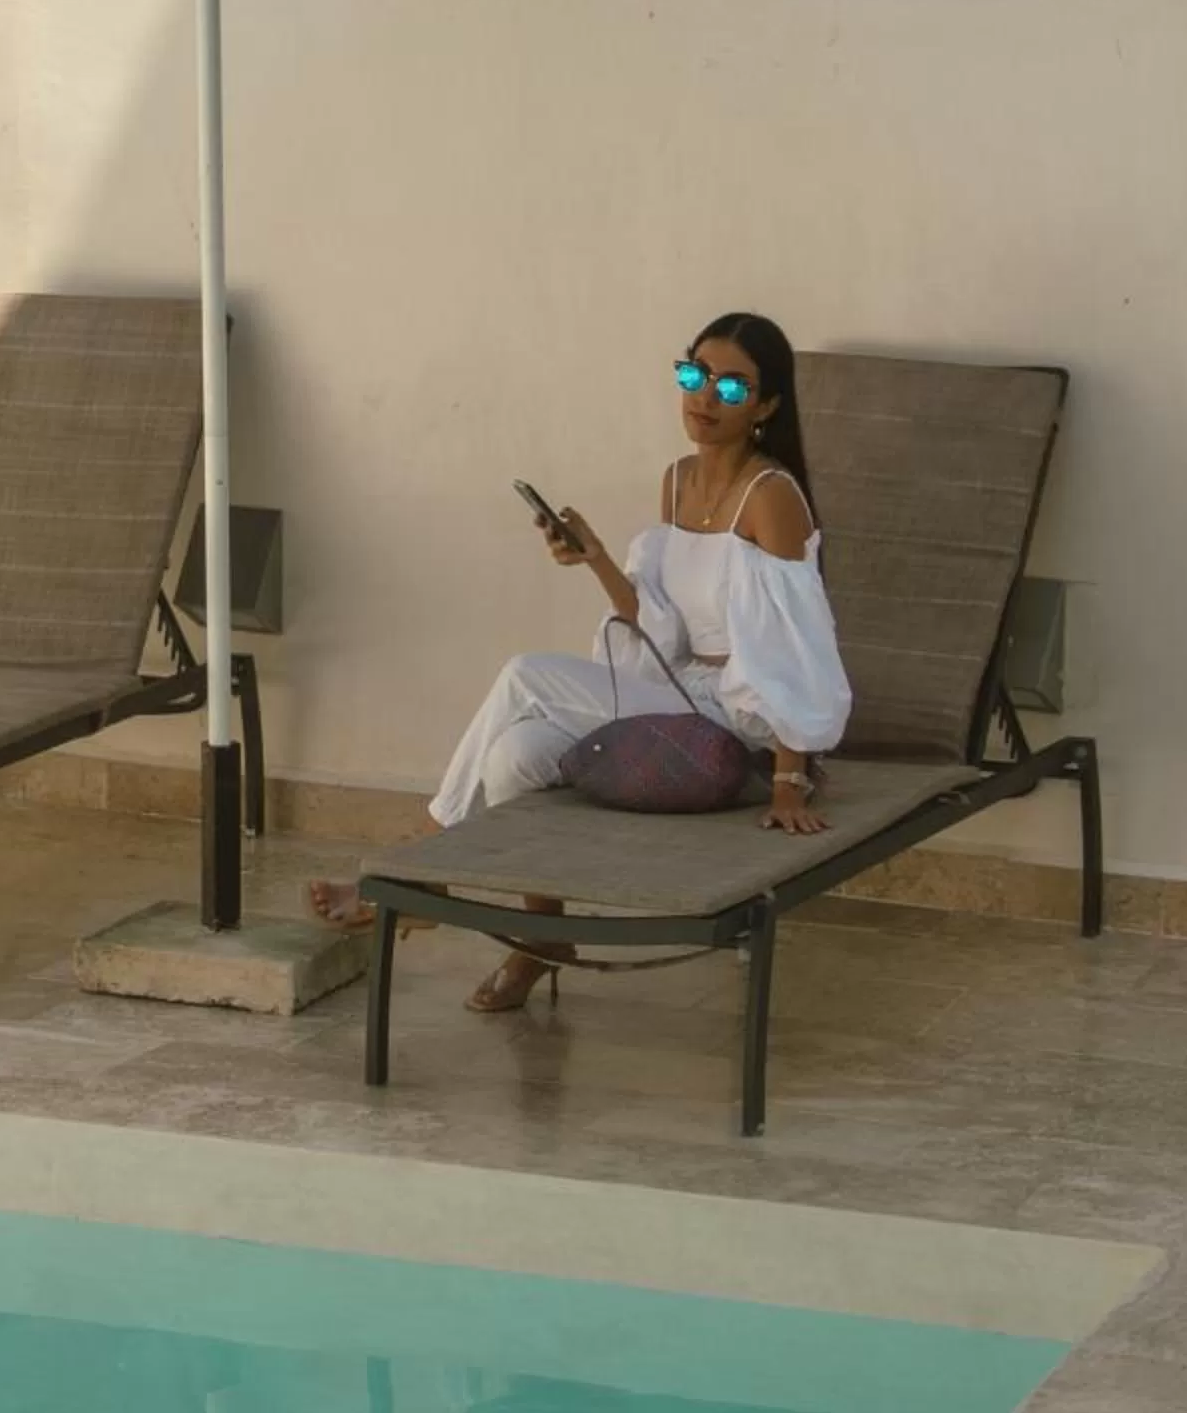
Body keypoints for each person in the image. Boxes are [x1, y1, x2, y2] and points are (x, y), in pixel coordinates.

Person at [307, 311, 853, 1014]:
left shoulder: (771, 496)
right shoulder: (679, 480)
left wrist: (789, 779)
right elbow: (660, 631)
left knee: (526, 672)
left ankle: (426, 873)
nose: (705, 398)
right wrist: (595, 557)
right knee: (514, 754)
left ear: (768, 407)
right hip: (680, 695)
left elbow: (796, 648)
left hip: (737, 720)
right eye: (694, 375)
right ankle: (547, 940)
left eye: (733, 387)